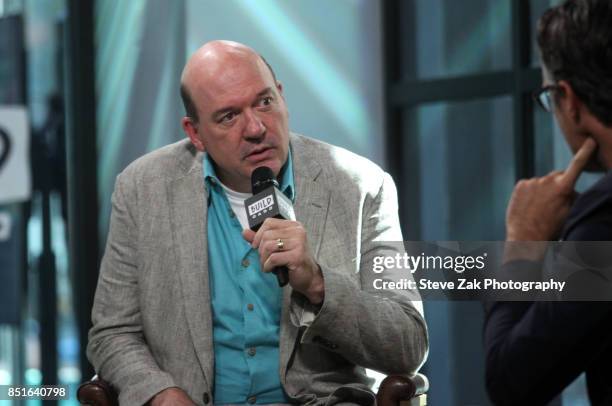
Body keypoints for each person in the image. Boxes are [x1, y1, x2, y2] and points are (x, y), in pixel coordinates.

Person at [87, 40, 428, 406]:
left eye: (265, 102)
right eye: (228, 116)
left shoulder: (360, 186)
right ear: (195, 133)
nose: (255, 127)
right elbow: (112, 332)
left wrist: (317, 282)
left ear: (281, 96)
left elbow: (407, 343)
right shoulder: (142, 189)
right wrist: (159, 393)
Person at [484, 0, 612, 404]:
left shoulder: (604, 219)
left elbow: (511, 379)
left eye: (548, 97)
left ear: (568, 98)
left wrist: (523, 245)